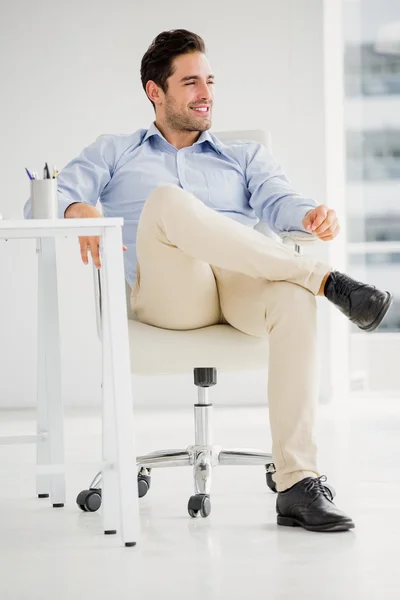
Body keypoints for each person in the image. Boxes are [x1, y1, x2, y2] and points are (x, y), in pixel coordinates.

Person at [25, 29, 392, 533]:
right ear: (156, 92)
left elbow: (280, 200)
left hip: (240, 286)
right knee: (168, 201)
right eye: (191, 82)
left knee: (291, 299)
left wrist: (309, 217)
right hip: (170, 296)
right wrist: (75, 205)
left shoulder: (244, 156)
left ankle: (298, 484)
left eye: (210, 81)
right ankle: (326, 279)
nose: (206, 94)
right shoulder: (115, 151)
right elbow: (43, 199)